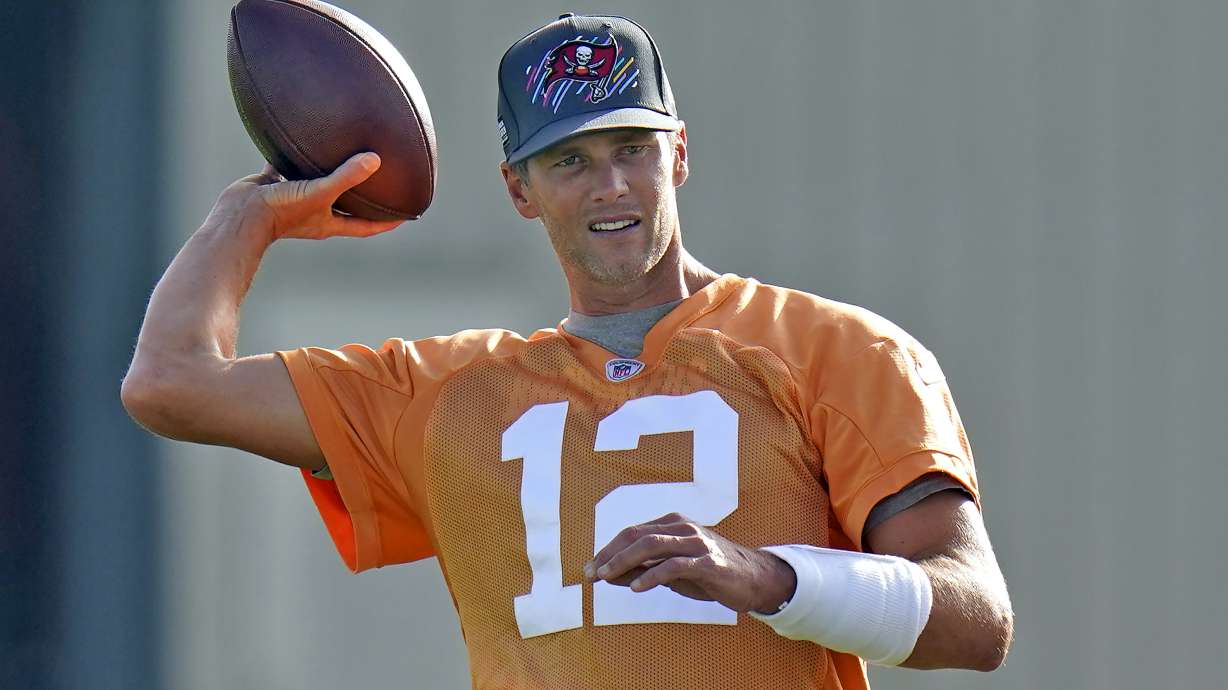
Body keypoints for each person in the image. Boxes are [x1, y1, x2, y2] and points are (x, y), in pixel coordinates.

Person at [122, 13, 1013, 689]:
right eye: (571, 161)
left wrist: (766, 574)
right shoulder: (451, 390)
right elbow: (171, 382)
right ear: (519, 188)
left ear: (680, 155)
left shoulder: (838, 350)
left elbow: (977, 619)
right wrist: (246, 218)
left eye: (633, 148)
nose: (612, 184)